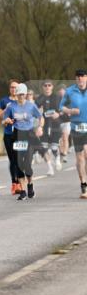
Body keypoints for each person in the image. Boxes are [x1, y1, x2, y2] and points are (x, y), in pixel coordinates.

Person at [2, 83, 44, 200]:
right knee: (18, 164)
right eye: (19, 94)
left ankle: (30, 184)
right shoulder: (11, 106)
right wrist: (7, 121)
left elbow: (40, 117)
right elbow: (4, 120)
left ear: (25, 95)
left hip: (29, 134)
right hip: (17, 135)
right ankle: (23, 191)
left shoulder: (31, 106)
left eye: (23, 94)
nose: (21, 96)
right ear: (16, 94)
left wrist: (40, 127)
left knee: (27, 165)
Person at [60, 69, 87, 199]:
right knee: (80, 157)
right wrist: (70, 110)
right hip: (77, 128)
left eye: (82, 77)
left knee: (86, 153)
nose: (80, 79)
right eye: (78, 77)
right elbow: (61, 107)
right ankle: (83, 184)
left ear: (86, 78)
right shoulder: (70, 91)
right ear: (75, 79)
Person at [0, 79, 21, 195]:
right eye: (12, 87)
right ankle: (14, 184)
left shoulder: (22, 101)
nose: (14, 89)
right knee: (12, 159)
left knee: (19, 159)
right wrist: (6, 109)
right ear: (9, 89)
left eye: (16, 87)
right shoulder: (4, 101)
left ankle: (20, 182)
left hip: (20, 133)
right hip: (8, 134)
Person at [36, 80, 63, 176]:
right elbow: (35, 110)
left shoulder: (57, 97)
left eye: (49, 85)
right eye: (45, 85)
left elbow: (63, 110)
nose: (47, 87)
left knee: (54, 147)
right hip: (44, 125)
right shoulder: (39, 98)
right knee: (44, 148)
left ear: (52, 87)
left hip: (55, 125)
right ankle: (50, 168)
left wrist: (58, 114)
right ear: (43, 87)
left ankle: (57, 158)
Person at [58, 85, 72, 164]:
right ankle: (62, 153)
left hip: (67, 121)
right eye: (60, 90)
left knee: (65, 137)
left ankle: (65, 153)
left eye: (62, 90)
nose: (61, 92)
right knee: (60, 139)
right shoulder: (57, 100)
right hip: (59, 122)